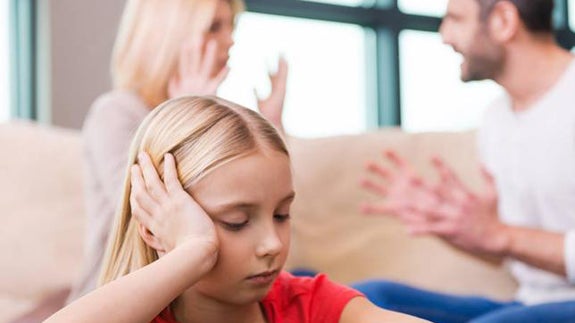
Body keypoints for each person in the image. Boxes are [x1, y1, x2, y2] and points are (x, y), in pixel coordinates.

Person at [44, 96, 427, 323]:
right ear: (153, 226)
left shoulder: (305, 304)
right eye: (236, 222)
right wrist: (194, 250)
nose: (272, 244)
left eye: (281, 215)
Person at [356, 0, 575, 322]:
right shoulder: (495, 119)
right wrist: (454, 224)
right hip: (529, 303)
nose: (444, 36)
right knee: (369, 299)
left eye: (456, 19)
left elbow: (504, 237)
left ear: (503, 20)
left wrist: (500, 234)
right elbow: (506, 251)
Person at [70, 0, 288, 304]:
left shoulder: (230, 122)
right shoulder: (116, 112)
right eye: (214, 27)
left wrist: (273, 130)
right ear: (169, 35)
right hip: (123, 297)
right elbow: (148, 210)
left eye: (231, 26)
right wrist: (188, 119)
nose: (230, 39)